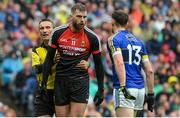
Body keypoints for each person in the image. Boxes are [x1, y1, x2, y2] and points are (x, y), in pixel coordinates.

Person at [42, 3, 104, 117]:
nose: (82, 20)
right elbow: (48, 59)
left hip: (80, 81)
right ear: (71, 17)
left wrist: (101, 89)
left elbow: (99, 65)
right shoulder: (58, 32)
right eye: (79, 16)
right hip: (61, 80)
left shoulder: (93, 37)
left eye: (84, 17)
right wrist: (43, 84)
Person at [32, 19, 90, 117]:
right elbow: (36, 70)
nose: (44, 31)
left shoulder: (63, 48)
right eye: (41, 28)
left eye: (48, 27)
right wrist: (52, 61)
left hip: (62, 90)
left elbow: (77, 60)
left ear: (54, 30)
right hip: (44, 92)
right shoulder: (36, 50)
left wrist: (88, 64)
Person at [107, 10, 154, 117]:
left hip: (126, 87)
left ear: (113, 22)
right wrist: (151, 94)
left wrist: (123, 87)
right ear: (127, 24)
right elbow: (149, 71)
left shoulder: (113, 39)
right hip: (140, 90)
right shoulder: (140, 42)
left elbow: (119, 63)